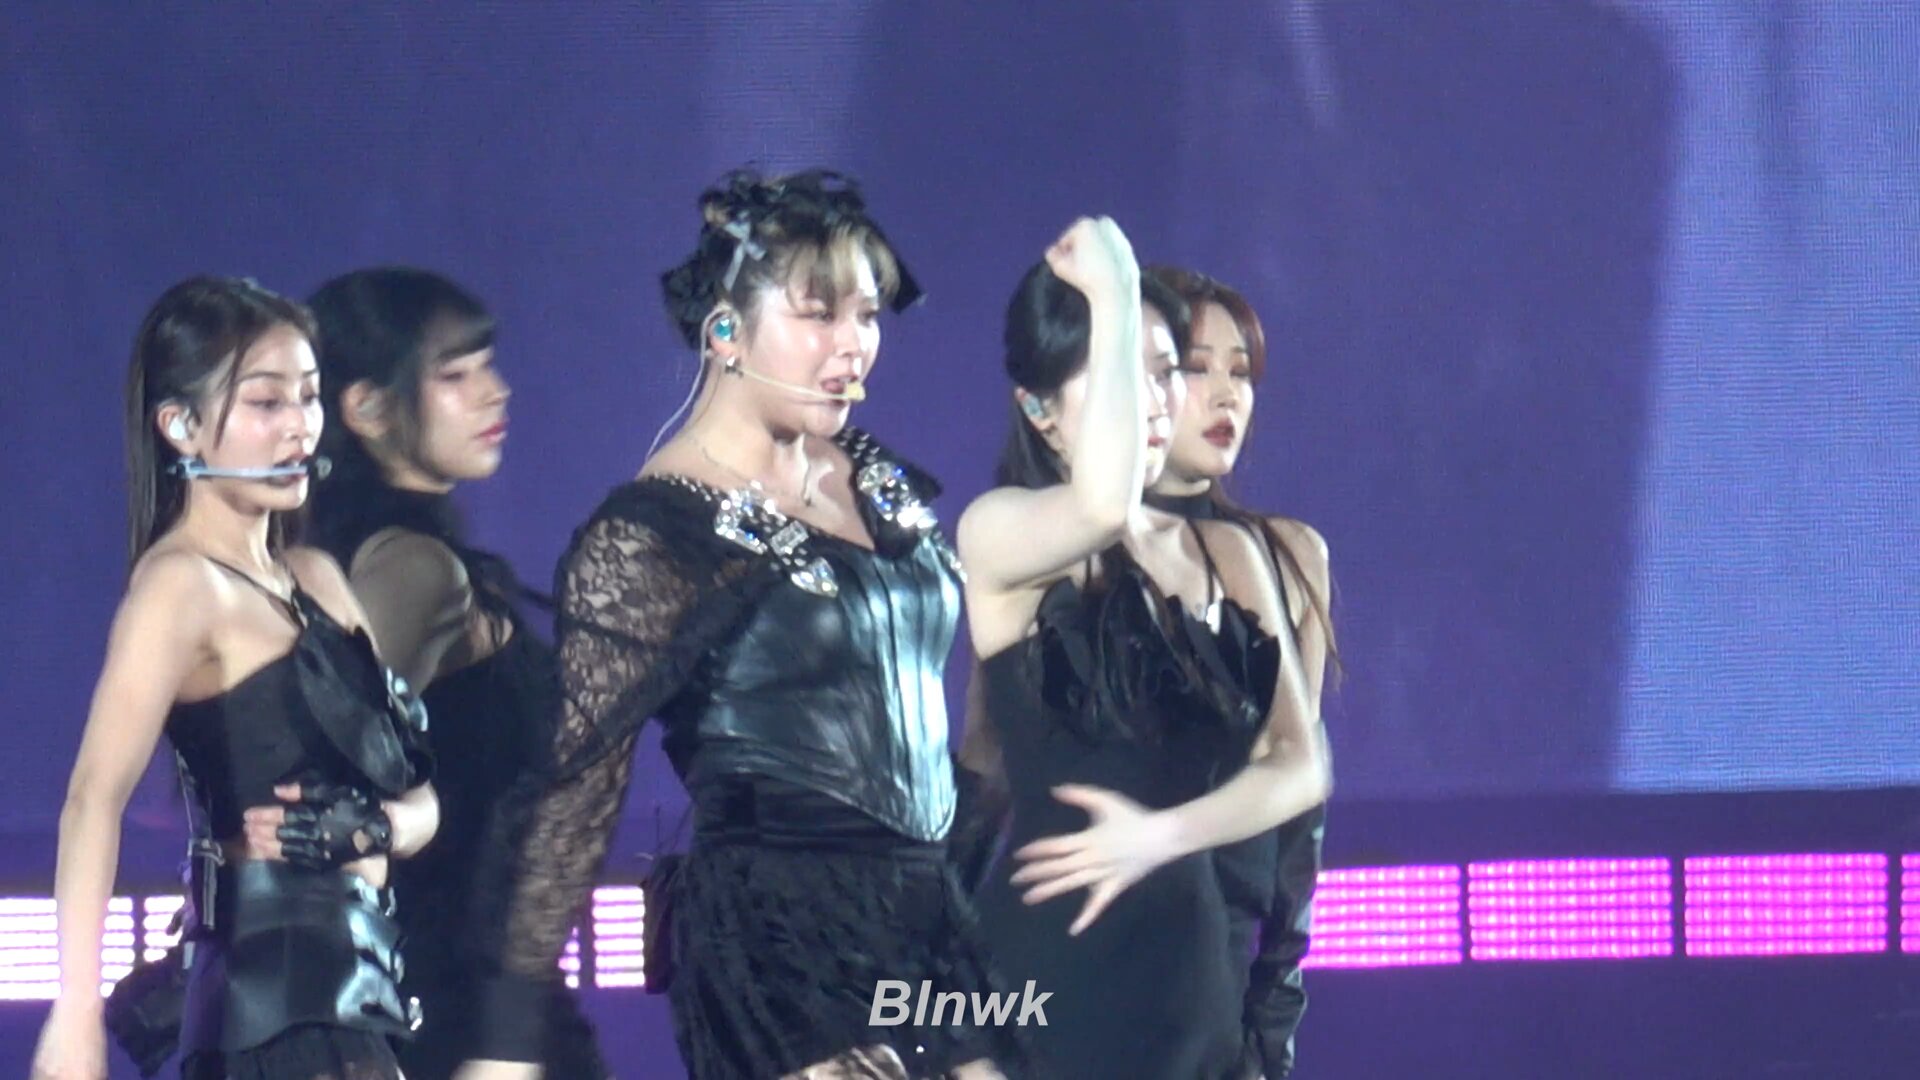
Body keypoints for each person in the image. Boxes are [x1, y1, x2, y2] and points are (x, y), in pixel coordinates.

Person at [460, 170, 1019, 1080]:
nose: (853, 345)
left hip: (930, 923)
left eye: (866, 315)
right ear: (725, 331)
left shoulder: (871, 473)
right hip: (781, 940)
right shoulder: (655, 532)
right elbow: (576, 787)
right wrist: (506, 1041)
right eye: (818, 315)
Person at [30, 276, 439, 1080]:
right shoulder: (180, 587)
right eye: (265, 402)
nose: (298, 425)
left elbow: (424, 800)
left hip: (364, 989)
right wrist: (74, 1013)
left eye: (309, 397)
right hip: (273, 1006)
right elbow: (93, 799)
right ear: (180, 426)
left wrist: (373, 829)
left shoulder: (319, 577)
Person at [957, 222, 1332, 1079]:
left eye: (1166, 373)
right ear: (1040, 410)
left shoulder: (1229, 554)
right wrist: (1115, 289)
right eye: (1126, 373)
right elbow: (1099, 508)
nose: (1157, 400)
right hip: (1044, 989)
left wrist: (1162, 836)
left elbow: (1299, 766)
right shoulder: (999, 531)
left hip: (1195, 993)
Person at [305, 267, 610, 1079]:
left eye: (488, 365)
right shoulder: (413, 569)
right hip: (456, 1015)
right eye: (456, 375)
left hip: (469, 1007)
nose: (495, 391)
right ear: (367, 408)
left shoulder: (388, 560)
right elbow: (324, 778)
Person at [1144, 265, 1337, 1079]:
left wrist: (1271, 1030)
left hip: (1223, 975)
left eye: (1242, 371)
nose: (1227, 395)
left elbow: (1300, 820)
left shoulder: (1288, 557)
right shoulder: (1065, 552)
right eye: (1197, 368)